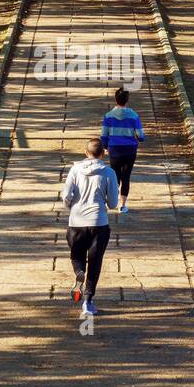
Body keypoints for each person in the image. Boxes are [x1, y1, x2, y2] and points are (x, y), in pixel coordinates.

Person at [62, 137, 119, 317]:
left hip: (76, 222)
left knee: (76, 255)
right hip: (98, 223)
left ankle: (79, 272)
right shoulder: (108, 173)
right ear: (103, 154)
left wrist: (72, 207)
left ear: (86, 153)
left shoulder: (75, 170)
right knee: (95, 262)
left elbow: (66, 196)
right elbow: (113, 203)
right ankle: (88, 300)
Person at [100, 86, 145, 214]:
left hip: (114, 150)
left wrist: (105, 147)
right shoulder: (133, 115)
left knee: (115, 176)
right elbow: (141, 136)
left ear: (116, 99)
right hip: (130, 150)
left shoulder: (108, 116)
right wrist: (139, 139)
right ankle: (122, 205)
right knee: (126, 176)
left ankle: (111, 201)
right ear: (127, 100)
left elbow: (104, 135)